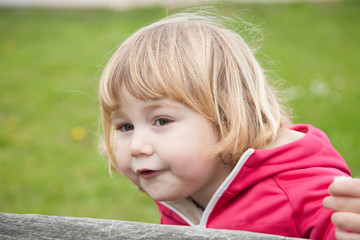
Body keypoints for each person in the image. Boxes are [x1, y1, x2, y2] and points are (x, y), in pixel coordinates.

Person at [98, 12, 360, 239]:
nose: (136, 146)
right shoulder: (184, 193)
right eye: (124, 126)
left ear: (226, 117)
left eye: (162, 121)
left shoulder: (306, 196)